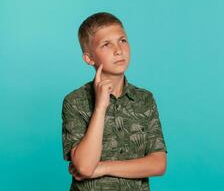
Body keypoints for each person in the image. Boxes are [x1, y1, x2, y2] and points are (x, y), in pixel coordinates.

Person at [61, 12, 167, 191]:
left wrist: (102, 168)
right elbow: (85, 167)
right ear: (89, 58)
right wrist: (100, 107)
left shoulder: (144, 99)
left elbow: (158, 164)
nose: (118, 50)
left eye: (122, 40)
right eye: (106, 44)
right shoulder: (74, 102)